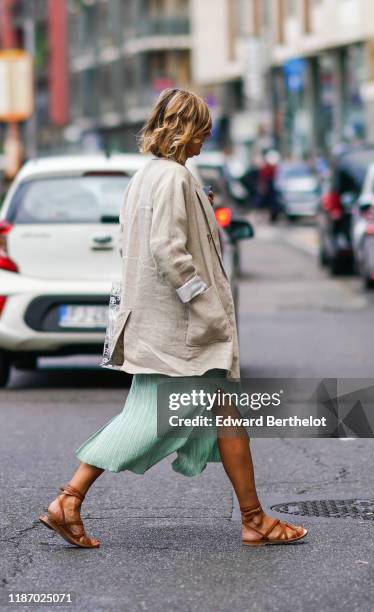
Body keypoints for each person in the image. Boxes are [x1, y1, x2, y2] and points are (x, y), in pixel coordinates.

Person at [38, 88, 307, 548]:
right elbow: (167, 250)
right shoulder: (172, 178)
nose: (205, 139)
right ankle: (68, 498)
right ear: (185, 129)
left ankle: (254, 519)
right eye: (202, 130)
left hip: (164, 328)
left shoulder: (149, 176)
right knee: (148, 421)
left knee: (224, 415)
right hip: (182, 333)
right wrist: (204, 306)